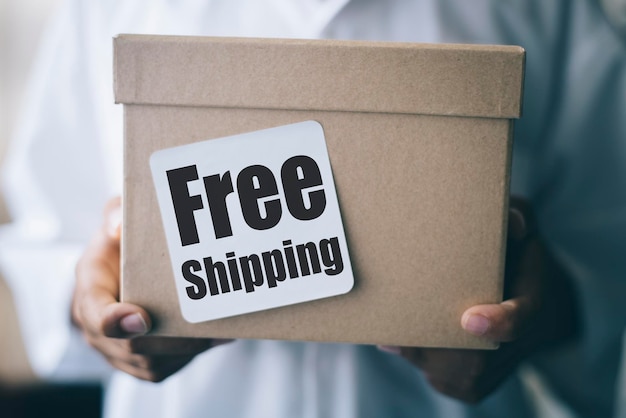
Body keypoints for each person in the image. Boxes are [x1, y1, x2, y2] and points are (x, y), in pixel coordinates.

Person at [1, 0, 625, 417]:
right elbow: (49, 237)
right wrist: (91, 308)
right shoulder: (101, 6)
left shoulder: (544, 9)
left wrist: (546, 318)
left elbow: (607, 252)